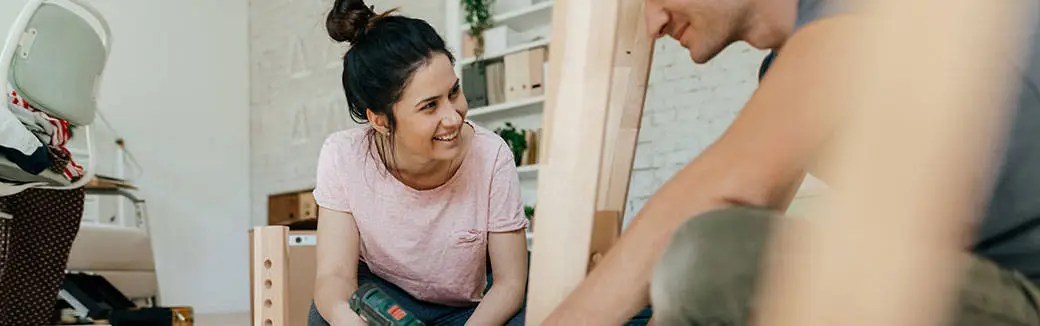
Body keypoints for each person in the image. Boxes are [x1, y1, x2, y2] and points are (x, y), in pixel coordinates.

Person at [545, 0, 1040, 324]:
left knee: (710, 255)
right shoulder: (782, 72)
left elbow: (729, 189)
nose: (651, 24)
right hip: (976, 282)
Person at [308, 0, 529, 324]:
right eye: (429, 106)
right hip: (387, 300)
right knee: (325, 318)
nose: (453, 118)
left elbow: (510, 283)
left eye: (453, 92)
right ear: (381, 121)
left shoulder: (491, 155)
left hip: (469, 306)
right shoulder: (343, 157)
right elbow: (334, 278)